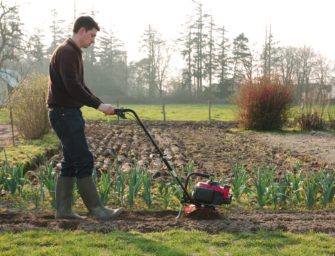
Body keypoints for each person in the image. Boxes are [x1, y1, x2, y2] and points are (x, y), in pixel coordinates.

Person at [47, 16, 123, 220]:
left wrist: (101, 103)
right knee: (83, 159)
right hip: (64, 113)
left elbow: (80, 87)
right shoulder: (66, 53)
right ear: (81, 30)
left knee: (71, 162)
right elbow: (73, 87)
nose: (93, 40)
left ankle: (63, 210)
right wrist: (99, 105)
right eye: (92, 35)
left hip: (68, 113)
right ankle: (97, 210)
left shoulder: (73, 53)